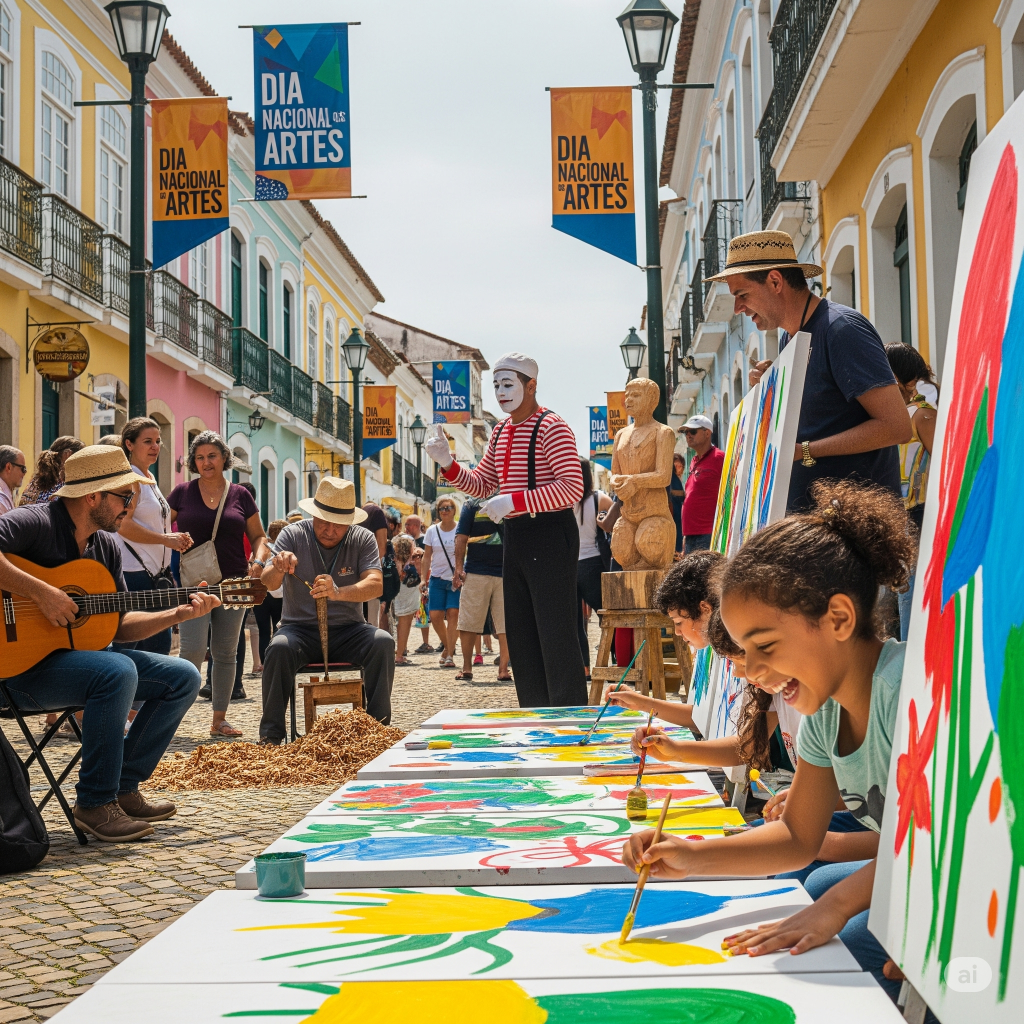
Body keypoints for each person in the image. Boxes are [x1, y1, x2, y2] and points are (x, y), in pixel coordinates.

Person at [622, 479, 915, 1004]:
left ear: (838, 618)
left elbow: (937, 844)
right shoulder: (826, 713)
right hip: (926, 873)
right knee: (820, 889)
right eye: (743, 650)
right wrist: (690, 856)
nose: (753, 671)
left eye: (766, 646)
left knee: (846, 931)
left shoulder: (911, 694)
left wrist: (837, 908)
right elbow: (798, 837)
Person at [0, 445, 216, 842]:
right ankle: (94, 803)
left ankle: (122, 787)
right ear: (92, 496)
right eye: (125, 497)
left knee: (183, 676)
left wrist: (177, 615)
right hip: (16, 670)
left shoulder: (105, 546)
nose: (130, 507)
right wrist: (42, 593)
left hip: (79, 662)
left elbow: (118, 626)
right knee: (116, 670)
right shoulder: (34, 521)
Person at [425, 352, 586, 707]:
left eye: (508, 384)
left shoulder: (552, 426)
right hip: (515, 537)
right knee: (521, 630)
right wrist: (447, 462)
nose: (500, 392)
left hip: (550, 533)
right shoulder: (500, 431)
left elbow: (572, 488)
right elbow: (482, 484)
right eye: (496, 385)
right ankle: (534, 709)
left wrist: (514, 501)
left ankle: (569, 712)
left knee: (555, 630)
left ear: (531, 386)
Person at [710, 229, 911, 512]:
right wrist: (771, 388)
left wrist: (805, 451)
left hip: (858, 526)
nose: (737, 308)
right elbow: (819, 414)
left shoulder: (841, 329)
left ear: (775, 281)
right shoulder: (790, 339)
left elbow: (896, 427)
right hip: (819, 524)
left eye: (742, 294)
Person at [258, 477, 394, 744]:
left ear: (350, 522)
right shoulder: (292, 534)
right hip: (299, 630)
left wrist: (338, 592)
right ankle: (270, 737)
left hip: (349, 630)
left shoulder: (363, 538)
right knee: (278, 648)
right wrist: (278, 566)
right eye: (323, 521)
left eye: (338, 524)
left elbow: (376, 584)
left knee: (382, 642)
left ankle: (379, 732)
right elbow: (267, 583)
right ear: (313, 514)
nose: (330, 530)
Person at [168, 431, 271, 738]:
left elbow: (259, 536)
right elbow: (159, 528)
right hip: (194, 583)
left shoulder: (240, 494)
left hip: (234, 584)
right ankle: (169, 718)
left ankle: (219, 720)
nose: (206, 462)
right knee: (191, 651)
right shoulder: (182, 492)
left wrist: (258, 563)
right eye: (199, 457)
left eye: (212, 456)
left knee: (226, 652)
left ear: (225, 458)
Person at [114, 417, 193, 657]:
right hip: (135, 574)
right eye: (147, 441)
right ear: (129, 444)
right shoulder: (131, 479)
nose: (155, 447)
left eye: (158, 441)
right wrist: (165, 539)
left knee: (158, 651)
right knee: (133, 649)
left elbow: (152, 524)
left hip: (157, 575)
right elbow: (122, 525)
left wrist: (172, 537)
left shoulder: (149, 478)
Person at [885, 343, 937, 642]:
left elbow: (945, 467)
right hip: (898, 520)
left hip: (920, 518)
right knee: (898, 601)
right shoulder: (896, 416)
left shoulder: (923, 415)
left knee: (910, 600)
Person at [452, 496, 510, 682]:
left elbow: (461, 537)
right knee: (470, 621)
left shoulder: (506, 499)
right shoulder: (472, 504)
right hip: (480, 570)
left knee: (504, 623)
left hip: (502, 571)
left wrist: (459, 568)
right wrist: (458, 568)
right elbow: (461, 537)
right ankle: (471, 667)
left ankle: (500, 668)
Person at [574, 458, 612, 679]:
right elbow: (617, 522)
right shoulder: (600, 499)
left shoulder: (561, 502)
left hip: (569, 565)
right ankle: (611, 663)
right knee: (607, 617)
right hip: (594, 564)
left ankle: (583, 668)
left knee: (575, 621)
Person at [420, 497, 461, 668]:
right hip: (436, 578)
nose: (445, 511)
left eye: (448, 507)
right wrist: (423, 579)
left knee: (453, 614)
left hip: (455, 579)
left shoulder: (460, 529)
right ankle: (448, 646)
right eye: (442, 508)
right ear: (438, 511)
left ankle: (449, 654)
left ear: (454, 510)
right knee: (435, 615)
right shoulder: (432, 531)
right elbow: (426, 556)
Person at [678, 415, 723, 553]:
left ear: (707, 433)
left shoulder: (719, 458)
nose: (688, 435)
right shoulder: (693, 461)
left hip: (708, 533)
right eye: (686, 432)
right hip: (691, 535)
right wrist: (686, 535)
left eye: (693, 431)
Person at [253, 518, 287, 671]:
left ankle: (266, 664)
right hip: (279, 595)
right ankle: (278, 662)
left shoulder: (263, 549)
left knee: (263, 632)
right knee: (280, 629)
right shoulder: (285, 550)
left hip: (261, 595)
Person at [20, 437, 85, 506]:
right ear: (67, 455)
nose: (83, 464)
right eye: (81, 458)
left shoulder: (36, 481)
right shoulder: (66, 485)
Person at [392, 534, 421, 665]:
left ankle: (400, 651)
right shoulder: (412, 559)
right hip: (408, 593)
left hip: (399, 591)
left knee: (402, 623)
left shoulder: (396, 559)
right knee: (405, 623)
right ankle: (399, 655)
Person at [0, 446, 27, 515]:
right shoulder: (1, 499)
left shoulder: (6, 494)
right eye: (23, 468)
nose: (24, 473)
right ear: (8, 467)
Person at [669, 451, 685, 554]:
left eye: (680, 466)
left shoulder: (676, 480)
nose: (678, 469)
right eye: (676, 466)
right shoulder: (672, 479)